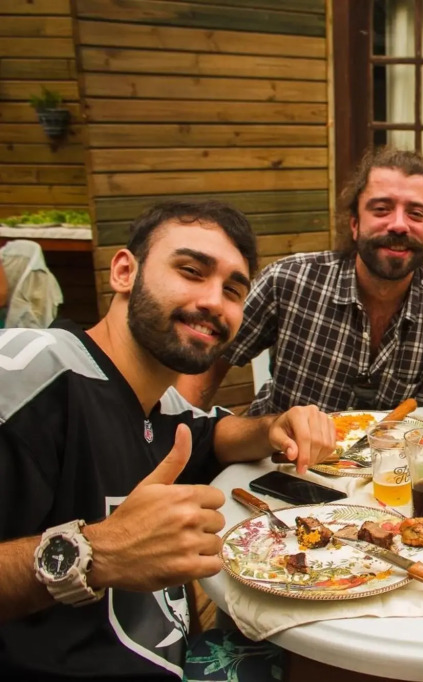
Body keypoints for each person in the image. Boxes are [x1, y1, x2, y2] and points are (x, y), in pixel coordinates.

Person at [0, 201, 335, 680]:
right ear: (124, 272)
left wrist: (271, 427)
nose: (214, 302)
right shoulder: (26, 373)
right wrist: (97, 553)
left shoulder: (161, 403)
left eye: (233, 290)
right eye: (191, 271)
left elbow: (212, 435)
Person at [178, 147, 423, 415]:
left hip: (396, 461)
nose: (399, 225)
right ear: (355, 224)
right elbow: (208, 362)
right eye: (382, 209)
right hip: (277, 454)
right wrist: (181, 433)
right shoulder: (289, 281)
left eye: (416, 213)